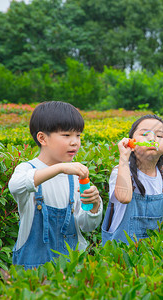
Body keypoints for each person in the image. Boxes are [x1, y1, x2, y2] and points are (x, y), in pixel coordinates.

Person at [9, 101, 102, 269]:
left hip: (72, 266)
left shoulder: (74, 176)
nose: (75, 142)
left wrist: (94, 205)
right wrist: (59, 169)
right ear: (42, 138)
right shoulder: (27, 169)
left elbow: (87, 225)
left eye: (78, 135)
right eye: (66, 135)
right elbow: (16, 186)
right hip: (33, 269)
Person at [102, 115, 163, 245]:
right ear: (131, 142)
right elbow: (124, 198)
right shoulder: (121, 171)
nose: (152, 138)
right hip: (120, 250)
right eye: (144, 134)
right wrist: (123, 158)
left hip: (152, 250)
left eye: (159, 136)